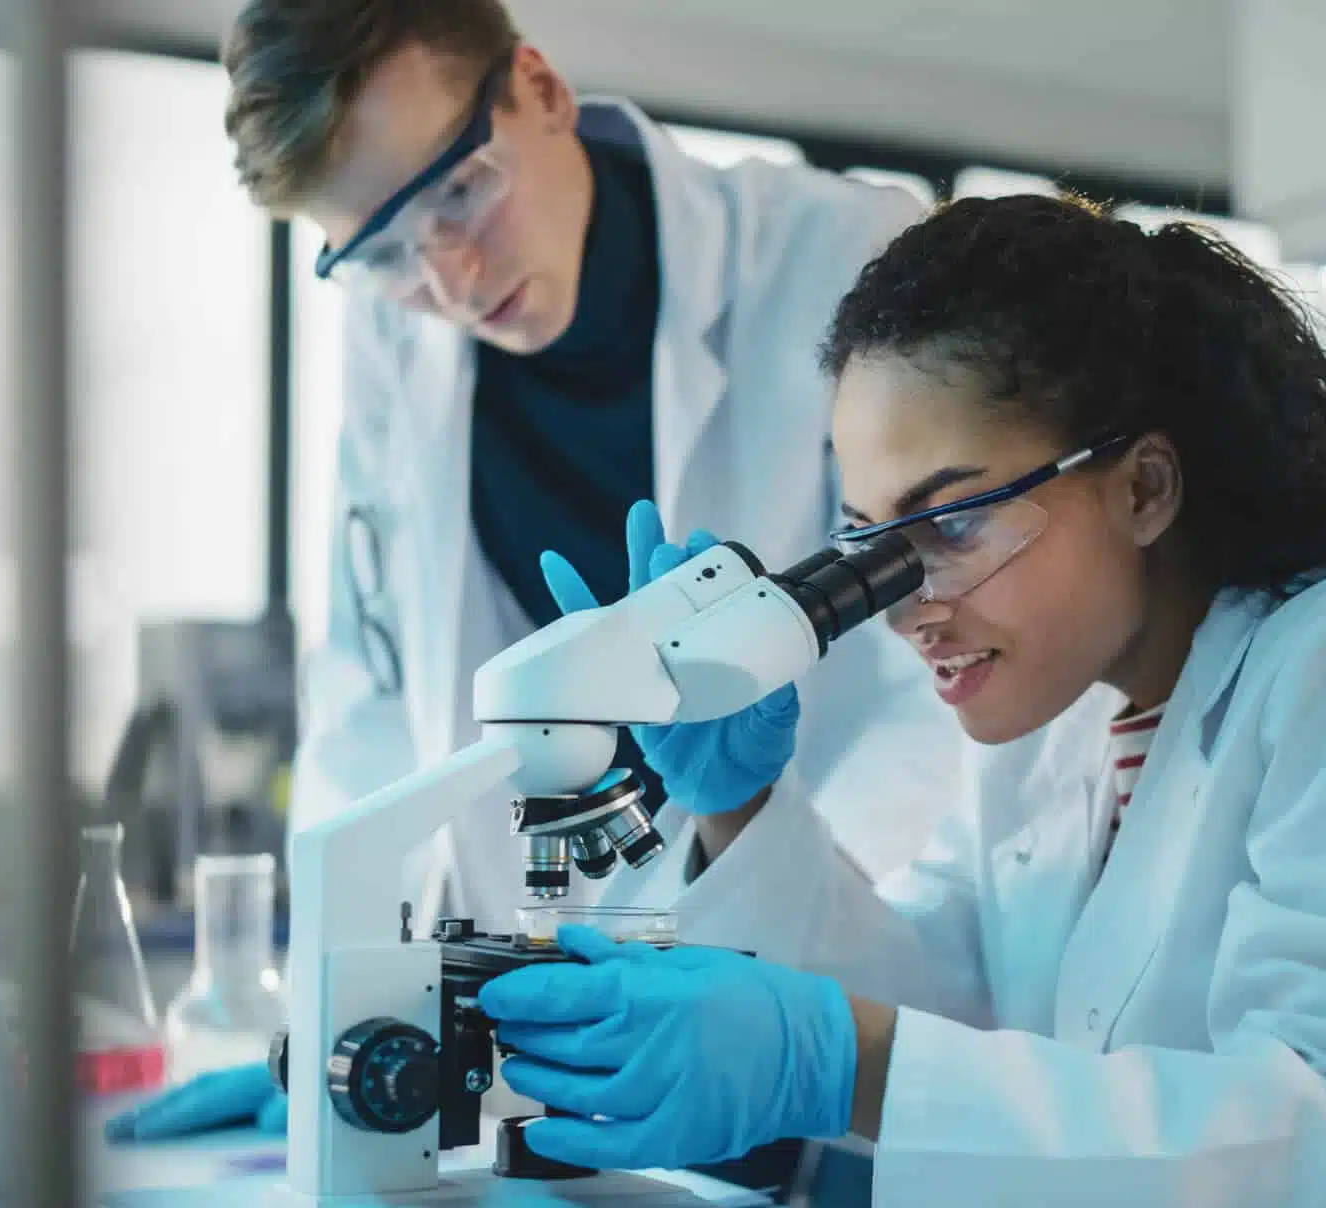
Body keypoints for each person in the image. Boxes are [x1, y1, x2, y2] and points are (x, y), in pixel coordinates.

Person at [476, 194, 1326, 1208]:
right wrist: (738, 808)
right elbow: (937, 991)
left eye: (945, 523)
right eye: (869, 542)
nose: (904, 605)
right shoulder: (1059, 721)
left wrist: (838, 1058)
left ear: (1142, 488)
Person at [108, 0, 949, 1144]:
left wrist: (755, 936)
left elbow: (932, 694)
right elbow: (370, 694)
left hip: (833, 962)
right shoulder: (397, 335)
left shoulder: (837, 261)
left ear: (540, 91)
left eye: (459, 191)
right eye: (380, 251)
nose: (446, 276)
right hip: (553, 996)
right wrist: (344, 1011)